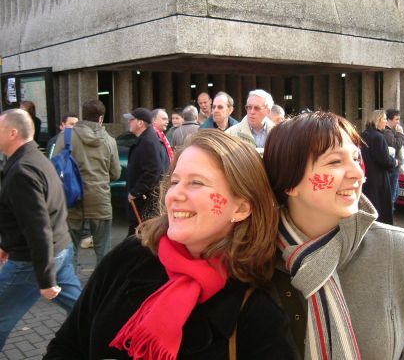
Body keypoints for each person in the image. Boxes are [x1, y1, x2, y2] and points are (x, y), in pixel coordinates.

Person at [44, 130, 295, 360]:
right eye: (175, 182)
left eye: (196, 183)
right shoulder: (130, 257)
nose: (174, 194)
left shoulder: (257, 311)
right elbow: (67, 345)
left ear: (240, 208)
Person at [263, 111, 404, 360]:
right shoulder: (257, 258)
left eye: (356, 159)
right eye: (335, 162)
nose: (356, 173)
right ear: (289, 182)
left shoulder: (398, 248)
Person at [0, 109, 81, 350]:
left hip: (33, 261)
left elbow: (38, 227)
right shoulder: (34, 158)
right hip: (60, 249)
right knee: (81, 307)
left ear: (13, 133)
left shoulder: (23, 169)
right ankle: (111, 335)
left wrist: (45, 279)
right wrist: (6, 244)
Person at [53, 100, 121, 266]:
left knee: (70, 249)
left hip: (72, 198)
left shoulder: (66, 136)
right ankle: (101, 289)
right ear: (101, 118)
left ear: (83, 115)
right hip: (100, 199)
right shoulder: (109, 140)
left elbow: (54, 167)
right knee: (103, 250)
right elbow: (116, 173)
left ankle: (71, 287)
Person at [124, 108, 164, 236]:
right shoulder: (145, 138)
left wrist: (136, 191)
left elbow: (153, 171)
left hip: (144, 201)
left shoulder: (147, 141)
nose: (129, 122)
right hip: (142, 199)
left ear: (140, 123)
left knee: (140, 236)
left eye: (131, 120)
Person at [361, 109, 397, 225]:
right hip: (378, 179)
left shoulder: (364, 134)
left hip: (367, 177)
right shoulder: (378, 137)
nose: (386, 122)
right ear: (378, 120)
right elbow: (384, 159)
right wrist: (394, 162)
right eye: (384, 119)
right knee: (380, 208)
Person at [383, 108, 404, 209]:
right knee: (392, 196)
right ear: (389, 120)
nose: (398, 122)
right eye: (396, 119)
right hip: (392, 166)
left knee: (395, 194)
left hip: (395, 165)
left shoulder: (390, 131)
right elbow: (396, 144)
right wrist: (400, 133)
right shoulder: (387, 132)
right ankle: (389, 217)